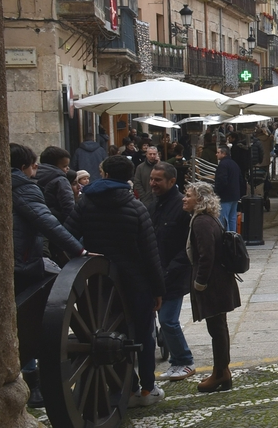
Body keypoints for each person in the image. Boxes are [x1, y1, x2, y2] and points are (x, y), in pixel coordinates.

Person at [63, 155, 166, 407]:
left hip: (100, 282)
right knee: (143, 334)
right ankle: (147, 388)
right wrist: (158, 289)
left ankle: (126, 387)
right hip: (135, 281)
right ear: (129, 177)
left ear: (105, 175)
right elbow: (150, 254)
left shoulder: (86, 203)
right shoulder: (136, 208)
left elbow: (67, 236)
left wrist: (83, 255)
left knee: (111, 333)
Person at [11, 143, 86, 408]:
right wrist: (78, 249)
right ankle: (34, 382)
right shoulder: (24, 187)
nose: (35, 170)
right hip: (23, 263)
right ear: (23, 167)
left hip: (18, 260)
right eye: (32, 166)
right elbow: (48, 221)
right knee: (31, 321)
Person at [182, 182, 241, 393]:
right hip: (219, 281)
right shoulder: (207, 218)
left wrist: (200, 282)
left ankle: (221, 373)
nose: (184, 198)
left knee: (217, 329)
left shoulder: (201, 222)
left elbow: (207, 255)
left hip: (213, 283)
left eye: (188, 195)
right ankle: (222, 371)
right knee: (219, 328)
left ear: (199, 200)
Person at [149, 162, 196, 382]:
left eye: (158, 180)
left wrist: (170, 270)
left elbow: (188, 246)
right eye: (151, 179)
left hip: (173, 274)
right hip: (156, 273)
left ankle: (184, 360)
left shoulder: (181, 207)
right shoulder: (154, 205)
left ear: (171, 181)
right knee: (163, 320)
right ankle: (176, 360)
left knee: (168, 320)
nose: (153, 183)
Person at [35, 145, 75, 224]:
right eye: (65, 166)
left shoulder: (33, 175)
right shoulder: (61, 180)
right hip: (57, 220)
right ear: (55, 166)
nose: (68, 169)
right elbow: (68, 204)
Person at [213, 146, 242, 232]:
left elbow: (222, 181)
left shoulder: (223, 165)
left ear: (224, 153)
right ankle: (233, 235)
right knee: (232, 217)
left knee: (223, 219)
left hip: (225, 196)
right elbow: (240, 179)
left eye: (218, 152)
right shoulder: (234, 164)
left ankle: (226, 236)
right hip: (235, 195)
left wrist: (216, 191)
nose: (216, 154)